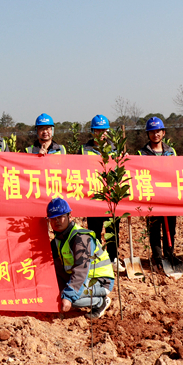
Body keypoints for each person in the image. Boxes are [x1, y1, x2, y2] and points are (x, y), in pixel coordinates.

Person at [47, 198, 114, 319]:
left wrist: (67, 296)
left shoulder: (81, 238)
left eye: (60, 217)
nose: (57, 221)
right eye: (53, 218)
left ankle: (100, 302)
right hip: (83, 279)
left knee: (70, 299)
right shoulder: (58, 240)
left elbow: (81, 270)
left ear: (70, 216)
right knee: (56, 293)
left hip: (100, 281)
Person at [79, 114, 121, 271]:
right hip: (93, 198)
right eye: (97, 130)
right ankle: (95, 258)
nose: (101, 134)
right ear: (92, 132)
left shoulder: (115, 148)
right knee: (94, 231)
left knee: (113, 230)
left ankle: (113, 258)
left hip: (111, 197)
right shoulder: (84, 150)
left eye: (104, 131)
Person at [137, 117, 178, 269]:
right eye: (152, 132)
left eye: (158, 131)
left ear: (163, 133)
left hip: (169, 198)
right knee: (154, 230)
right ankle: (157, 258)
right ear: (148, 134)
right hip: (151, 198)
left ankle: (169, 255)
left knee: (170, 229)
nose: (155, 135)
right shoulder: (141, 154)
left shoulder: (171, 152)